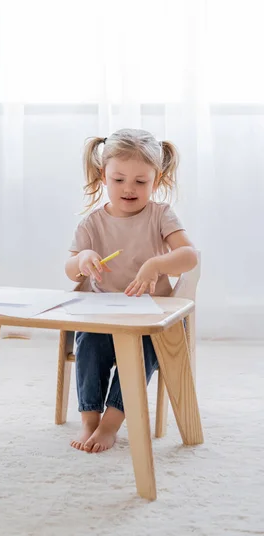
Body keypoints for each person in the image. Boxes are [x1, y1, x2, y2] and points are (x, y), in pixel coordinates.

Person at [65, 128, 198, 453]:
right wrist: (82, 259)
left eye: (141, 182)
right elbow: (69, 270)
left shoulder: (160, 215)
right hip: (103, 319)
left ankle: (111, 423)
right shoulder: (91, 224)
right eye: (119, 179)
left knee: (144, 350)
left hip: (151, 321)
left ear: (158, 178)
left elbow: (189, 256)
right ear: (103, 176)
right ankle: (90, 420)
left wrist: (156, 264)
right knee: (89, 343)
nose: (129, 189)